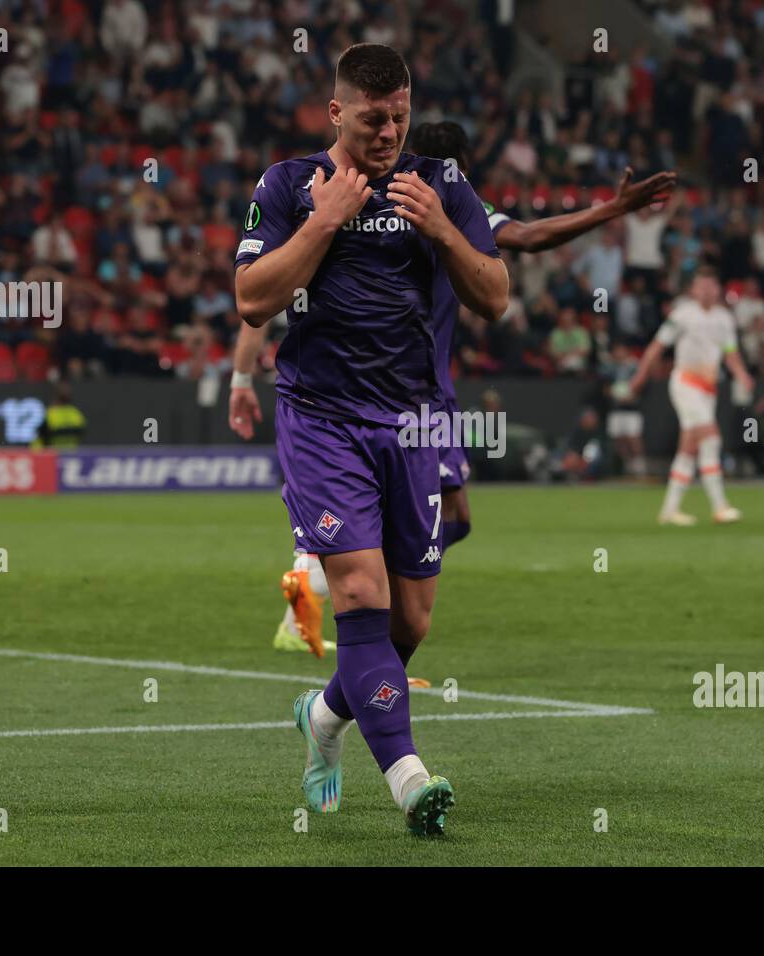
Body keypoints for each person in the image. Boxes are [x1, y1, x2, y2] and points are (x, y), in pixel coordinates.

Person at [230, 120, 673, 650]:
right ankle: (324, 580)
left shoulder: (437, 207)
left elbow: (516, 255)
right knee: (414, 530)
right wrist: (612, 210)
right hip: (396, 399)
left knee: (453, 516)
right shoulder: (404, 201)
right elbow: (260, 297)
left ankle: (342, 592)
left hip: (427, 395)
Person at [233, 44, 508, 837]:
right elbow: (252, 298)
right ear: (336, 112)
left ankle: (322, 718)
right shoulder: (288, 184)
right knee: (357, 594)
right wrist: (324, 220)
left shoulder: (441, 184)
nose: (388, 131)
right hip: (324, 418)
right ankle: (409, 778)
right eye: (371, 116)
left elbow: (495, 296)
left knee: (410, 621)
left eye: (399, 115)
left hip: (416, 422)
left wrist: (445, 234)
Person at [629, 266, 754, 525]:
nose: (707, 291)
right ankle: (720, 506)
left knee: (688, 448)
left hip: (709, 389)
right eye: (702, 286)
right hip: (685, 384)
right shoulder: (682, 315)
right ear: (693, 290)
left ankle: (670, 510)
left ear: (718, 289)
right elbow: (657, 346)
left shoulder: (724, 319)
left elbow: (730, 353)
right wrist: (641, 375)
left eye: (711, 286)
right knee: (710, 439)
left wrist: (742, 374)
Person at [31, 382, 86, 449]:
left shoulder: (49, 414)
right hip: (72, 454)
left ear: (54, 397)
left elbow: (38, 442)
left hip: (53, 455)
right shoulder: (77, 414)